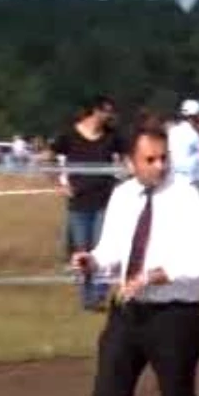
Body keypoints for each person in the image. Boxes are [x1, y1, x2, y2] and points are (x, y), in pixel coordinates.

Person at [46, 124, 199, 396]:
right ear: (130, 162)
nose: (158, 166)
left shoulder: (186, 197)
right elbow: (113, 250)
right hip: (128, 314)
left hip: (175, 315)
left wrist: (157, 275)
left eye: (163, 158)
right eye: (149, 160)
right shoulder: (122, 196)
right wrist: (92, 261)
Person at [51, 96, 123, 311]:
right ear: (96, 111)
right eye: (107, 111)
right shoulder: (70, 135)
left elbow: (129, 154)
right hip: (78, 203)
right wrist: (58, 183)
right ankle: (88, 298)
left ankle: (99, 294)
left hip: (104, 201)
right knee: (82, 252)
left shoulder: (112, 136)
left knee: (101, 250)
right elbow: (47, 156)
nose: (110, 116)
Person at [168, 99, 199, 189]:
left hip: (173, 178)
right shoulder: (194, 134)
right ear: (195, 116)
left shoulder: (172, 131)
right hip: (192, 179)